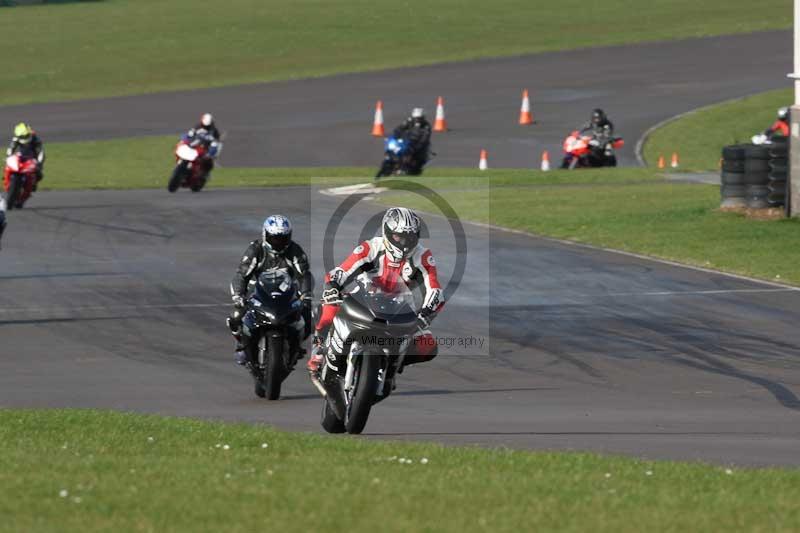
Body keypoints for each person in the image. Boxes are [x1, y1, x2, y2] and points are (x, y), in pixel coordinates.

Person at [307, 207, 444, 377]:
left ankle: (393, 364)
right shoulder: (371, 247)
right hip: (363, 298)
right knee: (329, 308)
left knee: (428, 345)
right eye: (398, 237)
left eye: (410, 237)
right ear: (387, 232)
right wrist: (333, 287)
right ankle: (319, 348)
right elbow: (343, 271)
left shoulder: (422, 257)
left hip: (399, 307)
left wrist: (425, 314)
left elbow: (435, 290)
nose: (404, 242)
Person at [227, 214, 314, 365]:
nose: (278, 242)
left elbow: (304, 275)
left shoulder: (294, 250)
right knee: (236, 316)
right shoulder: (256, 250)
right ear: (265, 235)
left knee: (308, 316)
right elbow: (241, 275)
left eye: (283, 238)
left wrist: (306, 295)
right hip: (257, 294)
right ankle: (242, 344)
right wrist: (238, 296)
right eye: (274, 238)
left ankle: (295, 345)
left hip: (286, 295)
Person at [391, 108, 432, 174]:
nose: (417, 119)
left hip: (420, 144)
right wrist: (396, 135)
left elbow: (425, 137)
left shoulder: (426, 125)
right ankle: (396, 166)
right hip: (408, 141)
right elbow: (399, 128)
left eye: (419, 118)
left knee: (416, 154)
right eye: (416, 118)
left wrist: (419, 145)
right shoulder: (409, 121)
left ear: (423, 117)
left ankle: (409, 167)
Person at [6, 123, 45, 190]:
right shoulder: (16, 138)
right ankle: (7, 181)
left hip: (32, 158)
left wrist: (39, 163)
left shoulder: (35, 138)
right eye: (22, 137)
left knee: (39, 174)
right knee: (9, 166)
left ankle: (32, 184)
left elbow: (41, 152)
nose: (24, 137)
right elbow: (11, 148)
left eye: (26, 135)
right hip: (21, 156)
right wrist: (9, 157)